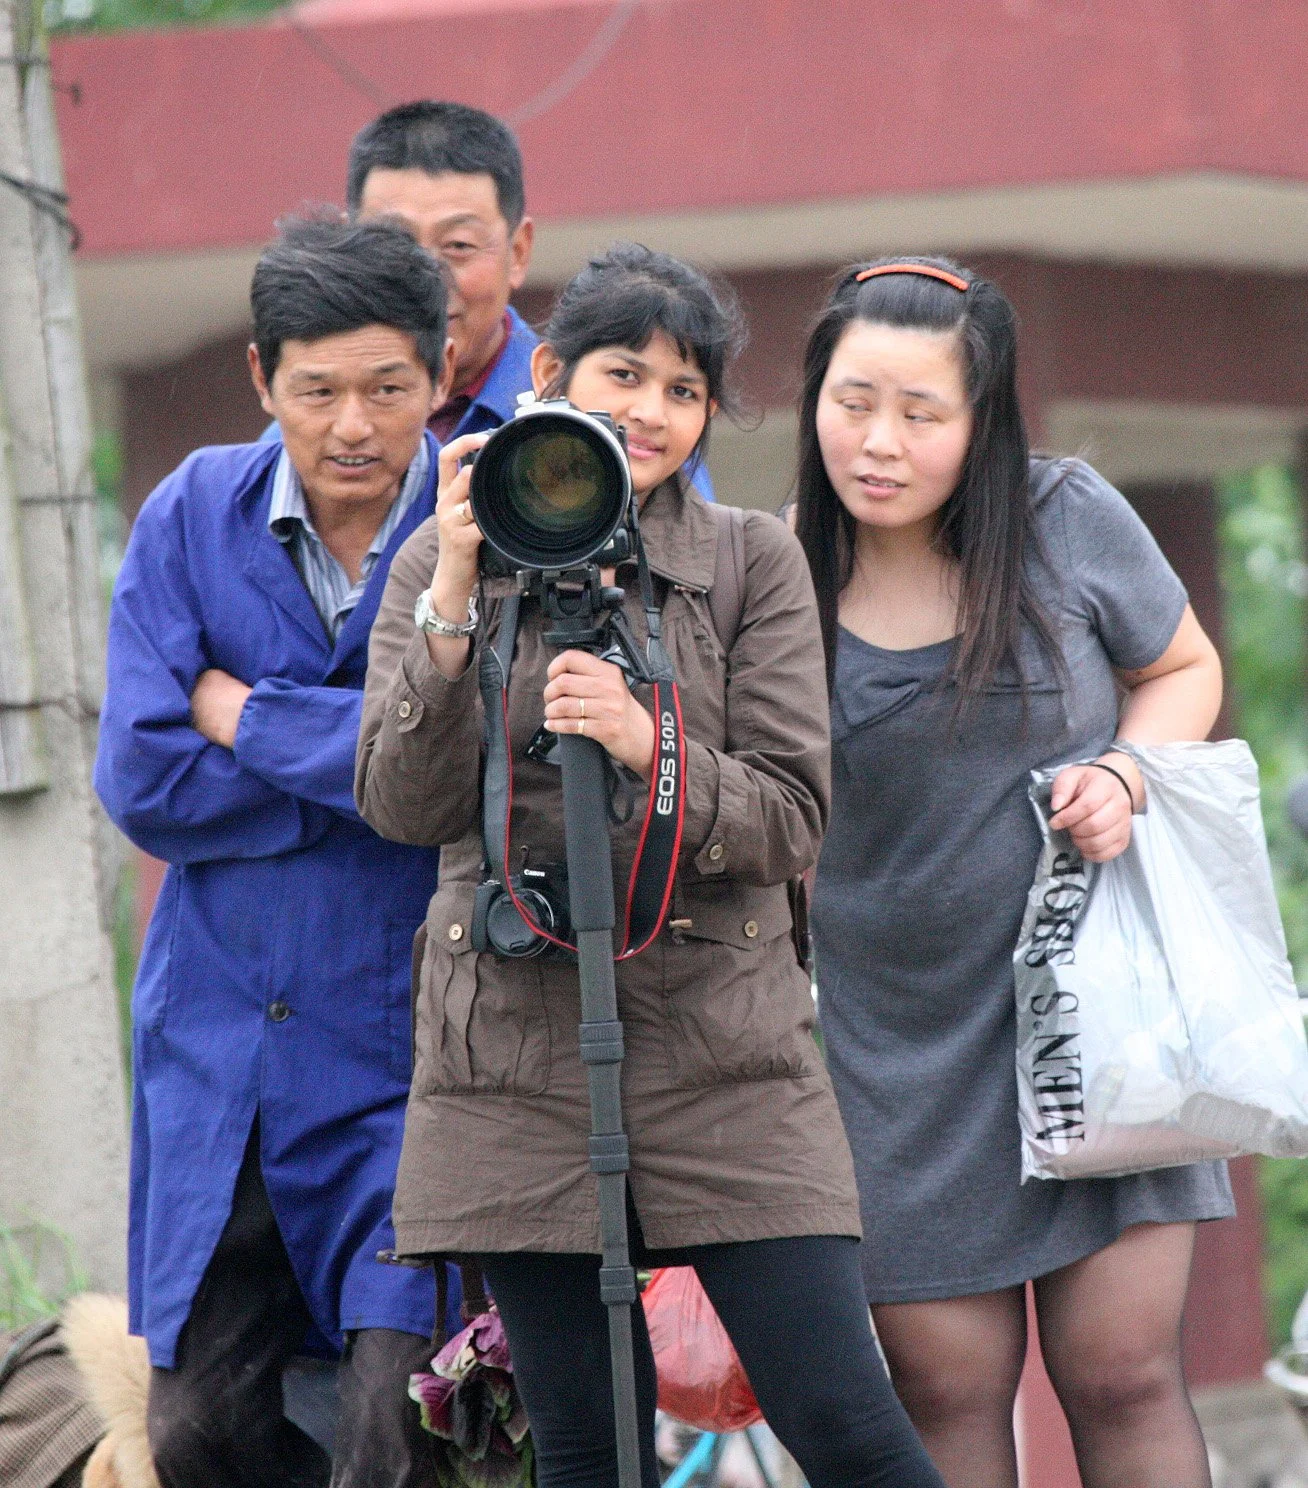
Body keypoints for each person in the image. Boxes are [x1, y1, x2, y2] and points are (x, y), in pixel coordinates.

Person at [355, 243, 947, 1488]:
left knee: (846, 1421)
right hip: (509, 1054)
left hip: (727, 1048)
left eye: (686, 391)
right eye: (626, 374)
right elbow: (402, 808)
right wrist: (459, 588)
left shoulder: (749, 560)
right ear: (551, 374)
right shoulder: (435, 560)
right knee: (587, 1450)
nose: (653, 412)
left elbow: (792, 816)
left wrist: (648, 739)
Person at [794, 257, 1232, 1488]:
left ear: (983, 424)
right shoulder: (776, 577)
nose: (879, 441)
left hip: (1099, 1013)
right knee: (943, 1393)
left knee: (1124, 1374)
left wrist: (1131, 774)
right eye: (853, 400)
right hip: (895, 1055)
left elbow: (1182, 667)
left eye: (921, 414)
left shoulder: (1068, 515)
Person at [94, 215, 459, 1488]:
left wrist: (240, 714)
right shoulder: (192, 511)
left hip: (412, 1051)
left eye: (386, 388)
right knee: (197, 1432)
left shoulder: (483, 529)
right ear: (263, 379)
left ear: (443, 374)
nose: (352, 424)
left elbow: (475, 763)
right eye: (316, 391)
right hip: (219, 1046)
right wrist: (375, 773)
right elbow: (140, 776)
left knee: (395, 1424)